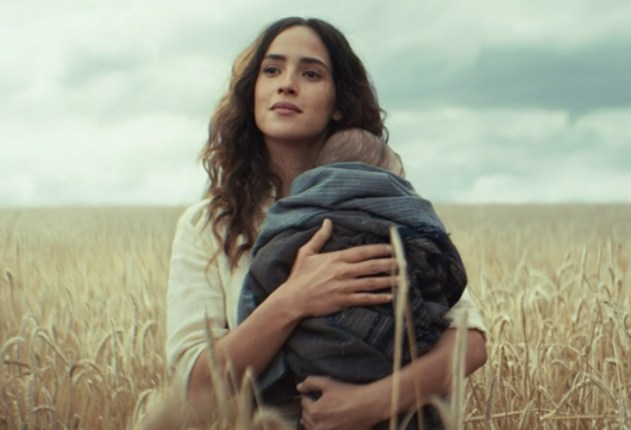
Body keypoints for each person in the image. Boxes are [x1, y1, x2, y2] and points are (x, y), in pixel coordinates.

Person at [164, 17, 487, 430]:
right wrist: (294, 298)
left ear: (338, 102)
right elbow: (195, 387)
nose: (287, 84)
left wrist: (371, 403)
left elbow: (470, 341)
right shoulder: (210, 225)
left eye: (311, 73)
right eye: (272, 70)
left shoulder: (383, 201)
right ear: (253, 92)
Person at [237, 128, 465, 428]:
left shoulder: (286, 229)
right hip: (396, 360)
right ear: (387, 179)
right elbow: (446, 279)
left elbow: (257, 286)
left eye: (310, 76)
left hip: (310, 378)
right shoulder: (406, 229)